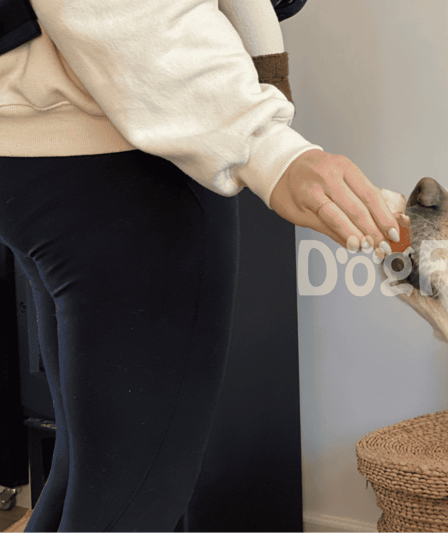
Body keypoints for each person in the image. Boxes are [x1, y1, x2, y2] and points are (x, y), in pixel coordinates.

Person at [0, 0, 399, 530]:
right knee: (131, 501)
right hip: (109, 156)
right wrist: (264, 143)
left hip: (43, 139)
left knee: (95, 478)